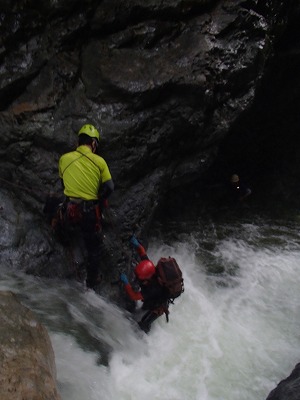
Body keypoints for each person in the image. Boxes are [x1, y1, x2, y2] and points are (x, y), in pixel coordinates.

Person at [58, 123, 114, 289]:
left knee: (58, 209)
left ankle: (64, 235)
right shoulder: (100, 162)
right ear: (94, 144)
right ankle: (91, 282)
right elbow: (110, 187)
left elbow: (63, 184)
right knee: (93, 249)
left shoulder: (64, 159)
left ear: (78, 142)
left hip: (70, 210)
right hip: (89, 213)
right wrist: (98, 199)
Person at [120, 236, 170, 334]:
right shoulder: (149, 266)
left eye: (140, 279)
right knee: (144, 307)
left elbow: (134, 296)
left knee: (144, 323)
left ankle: (143, 339)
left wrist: (126, 283)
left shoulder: (152, 289)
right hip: (153, 298)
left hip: (159, 306)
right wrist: (137, 245)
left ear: (147, 279)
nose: (138, 279)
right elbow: (142, 252)